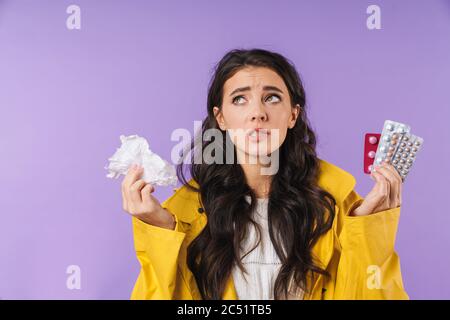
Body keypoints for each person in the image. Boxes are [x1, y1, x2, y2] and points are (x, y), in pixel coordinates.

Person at [120, 48, 408, 300]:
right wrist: (159, 234)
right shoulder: (182, 215)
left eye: (271, 98)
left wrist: (369, 233)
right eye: (240, 99)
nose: (257, 113)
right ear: (221, 118)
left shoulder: (339, 206)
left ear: (293, 115)